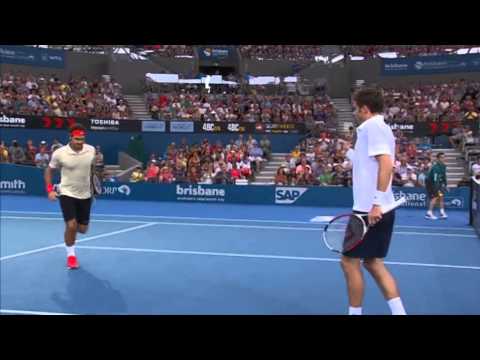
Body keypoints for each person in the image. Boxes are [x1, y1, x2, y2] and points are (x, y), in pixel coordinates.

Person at [343, 88, 406, 315]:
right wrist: (349, 153)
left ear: (365, 109)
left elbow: (386, 164)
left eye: (355, 107)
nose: (354, 112)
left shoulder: (372, 126)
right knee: (372, 262)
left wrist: (376, 203)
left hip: (369, 210)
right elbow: (369, 163)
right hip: (376, 207)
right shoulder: (378, 128)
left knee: (349, 262)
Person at [44, 124, 96, 270]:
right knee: (71, 225)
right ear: (71, 138)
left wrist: (94, 186)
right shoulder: (60, 153)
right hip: (67, 193)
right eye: (77, 139)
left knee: (82, 229)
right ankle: (71, 256)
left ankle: (70, 230)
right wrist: (50, 190)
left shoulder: (91, 150)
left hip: (85, 194)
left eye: (82, 139)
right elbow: (49, 171)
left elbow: (92, 169)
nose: (80, 142)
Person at [425, 152, 448, 220]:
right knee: (435, 197)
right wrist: (437, 188)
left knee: (441, 196)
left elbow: (444, 176)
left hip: (438, 183)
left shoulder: (443, 166)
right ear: (438, 159)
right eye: (441, 157)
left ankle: (442, 212)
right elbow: (435, 179)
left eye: (444, 157)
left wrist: (445, 185)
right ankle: (429, 213)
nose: (443, 159)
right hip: (431, 183)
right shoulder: (435, 167)